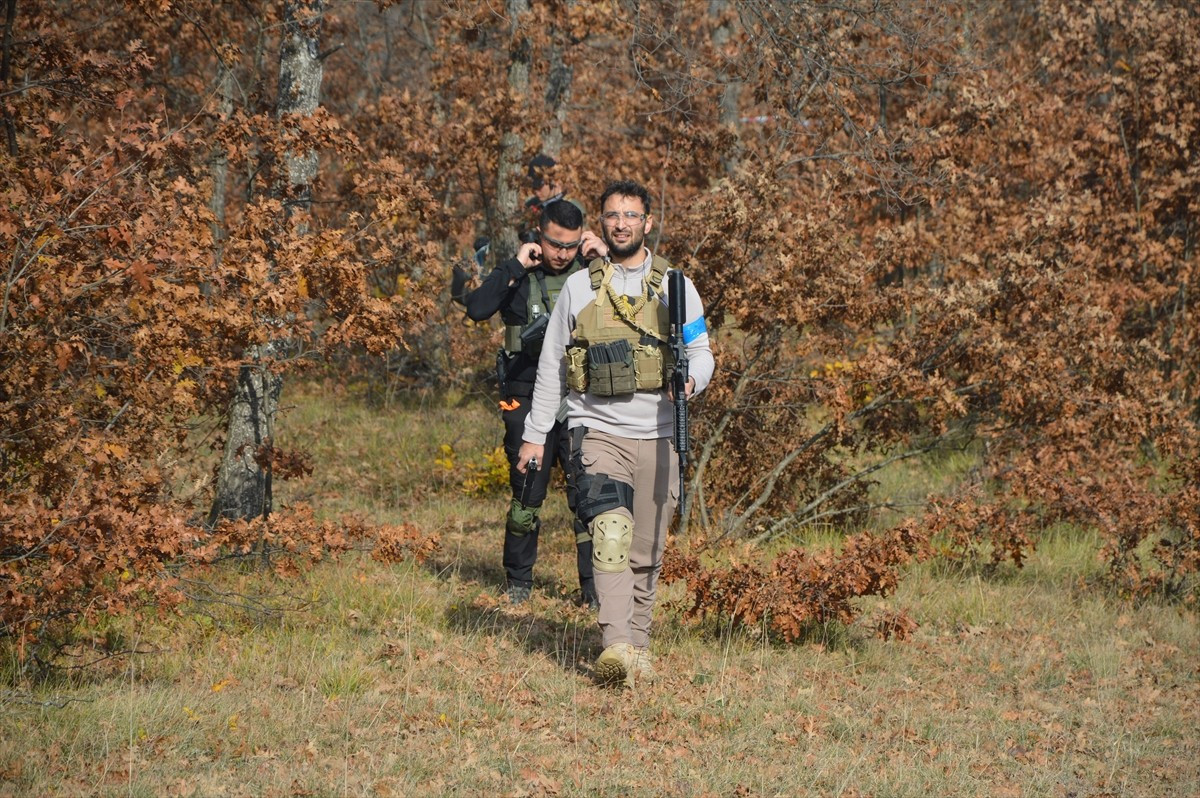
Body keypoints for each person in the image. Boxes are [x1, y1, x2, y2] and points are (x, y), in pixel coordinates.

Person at [516, 179, 715, 688]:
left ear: (647, 223)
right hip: (597, 429)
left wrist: (691, 382)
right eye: (612, 215)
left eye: (631, 215)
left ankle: (639, 644)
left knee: (647, 551)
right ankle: (616, 646)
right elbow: (552, 368)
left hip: (659, 431)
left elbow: (702, 353)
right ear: (600, 225)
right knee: (609, 535)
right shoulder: (581, 288)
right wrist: (536, 435)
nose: (621, 223)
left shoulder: (677, 286)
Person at [463, 199, 597, 607]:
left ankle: (593, 590)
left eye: (571, 245)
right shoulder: (519, 274)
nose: (562, 253)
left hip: (579, 398)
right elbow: (477, 307)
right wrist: (515, 266)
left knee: (590, 496)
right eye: (555, 243)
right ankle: (519, 581)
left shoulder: (593, 275)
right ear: (540, 234)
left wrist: (604, 258)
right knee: (526, 493)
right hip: (523, 396)